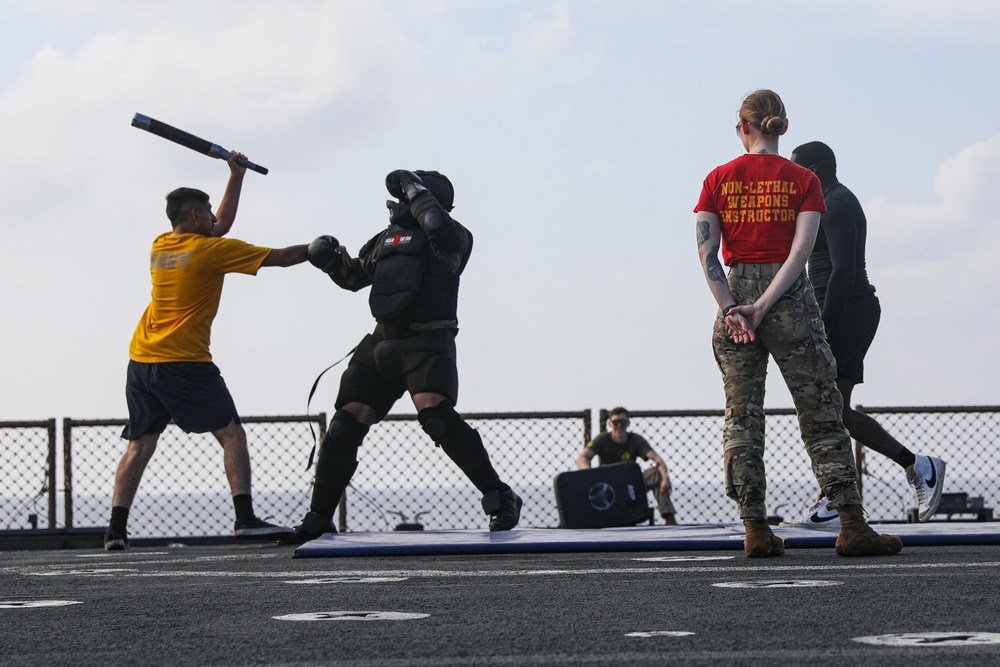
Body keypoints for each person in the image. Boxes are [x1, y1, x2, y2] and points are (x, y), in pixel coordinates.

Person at [694, 89, 901, 558]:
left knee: (742, 417)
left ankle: (755, 528)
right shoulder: (803, 179)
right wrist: (766, 305)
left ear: (743, 127)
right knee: (822, 413)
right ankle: (851, 524)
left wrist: (733, 308)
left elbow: (707, 252)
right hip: (789, 301)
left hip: (736, 291)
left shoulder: (717, 179)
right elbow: (801, 252)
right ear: (778, 126)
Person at [282, 169, 521, 544]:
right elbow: (356, 276)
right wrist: (330, 261)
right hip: (381, 343)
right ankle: (319, 517)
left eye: (407, 196)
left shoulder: (453, 236)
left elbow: (437, 225)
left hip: (427, 342)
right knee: (345, 425)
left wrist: (414, 188)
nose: (397, 203)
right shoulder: (387, 239)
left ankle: (500, 496)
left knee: (436, 418)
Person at [104, 153, 309, 551]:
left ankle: (115, 530)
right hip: (183, 360)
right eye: (209, 211)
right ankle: (246, 518)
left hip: (142, 358)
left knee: (140, 442)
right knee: (231, 434)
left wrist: (236, 176)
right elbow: (281, 258)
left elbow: (221, 226)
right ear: (197, 214)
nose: (215, 216)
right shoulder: (210, 252)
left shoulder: (161, 246)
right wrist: (320, 248)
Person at [780, 142, 945, 528]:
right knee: (831, 409)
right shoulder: (827, 203)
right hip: (840, 310)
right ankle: (842, 494)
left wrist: (825, 324)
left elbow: (843, 271)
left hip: (848, 310)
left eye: (797, 172)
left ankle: (903, 471)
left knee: (828, 408)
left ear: (815, 170)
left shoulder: (837, 203)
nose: (792, 181)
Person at [575, 407, 678, 524]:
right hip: (608, 486)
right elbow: (582, 458)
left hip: (630, 485)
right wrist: (589, 474)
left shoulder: (636, 440)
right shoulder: (602, 440)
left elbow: (657, 459)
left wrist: (665, 478)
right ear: (610, 424)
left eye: (623, 423)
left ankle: (669, 516)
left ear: (628, 424)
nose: (619, 426)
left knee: (656, 473)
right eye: (615, 422)